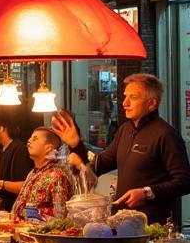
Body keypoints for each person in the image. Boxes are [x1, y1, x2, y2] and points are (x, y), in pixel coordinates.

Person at [53, 74, 190, 225]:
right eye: (125, 97)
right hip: (123, 223)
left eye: (133, 97)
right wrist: (76, 144)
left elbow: (184, 181)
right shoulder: (125, 130)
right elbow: (100, 165)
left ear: (151, 104)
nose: (125, 103)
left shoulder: (166, 134)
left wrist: (146, 193)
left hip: (153, 227)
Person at [0, 127, 73, 220]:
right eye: (30, 138)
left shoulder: (57, 176)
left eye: (35, 139)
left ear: (48, 148)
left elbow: (60, 218)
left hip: (36, 232)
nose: (29, 141)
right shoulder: (32, 173)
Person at [0, 122, 33, 211]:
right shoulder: (2, 151)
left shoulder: (19, 149)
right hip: (3, 209)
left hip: (13, 210)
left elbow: (23, 186)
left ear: (1, 128)